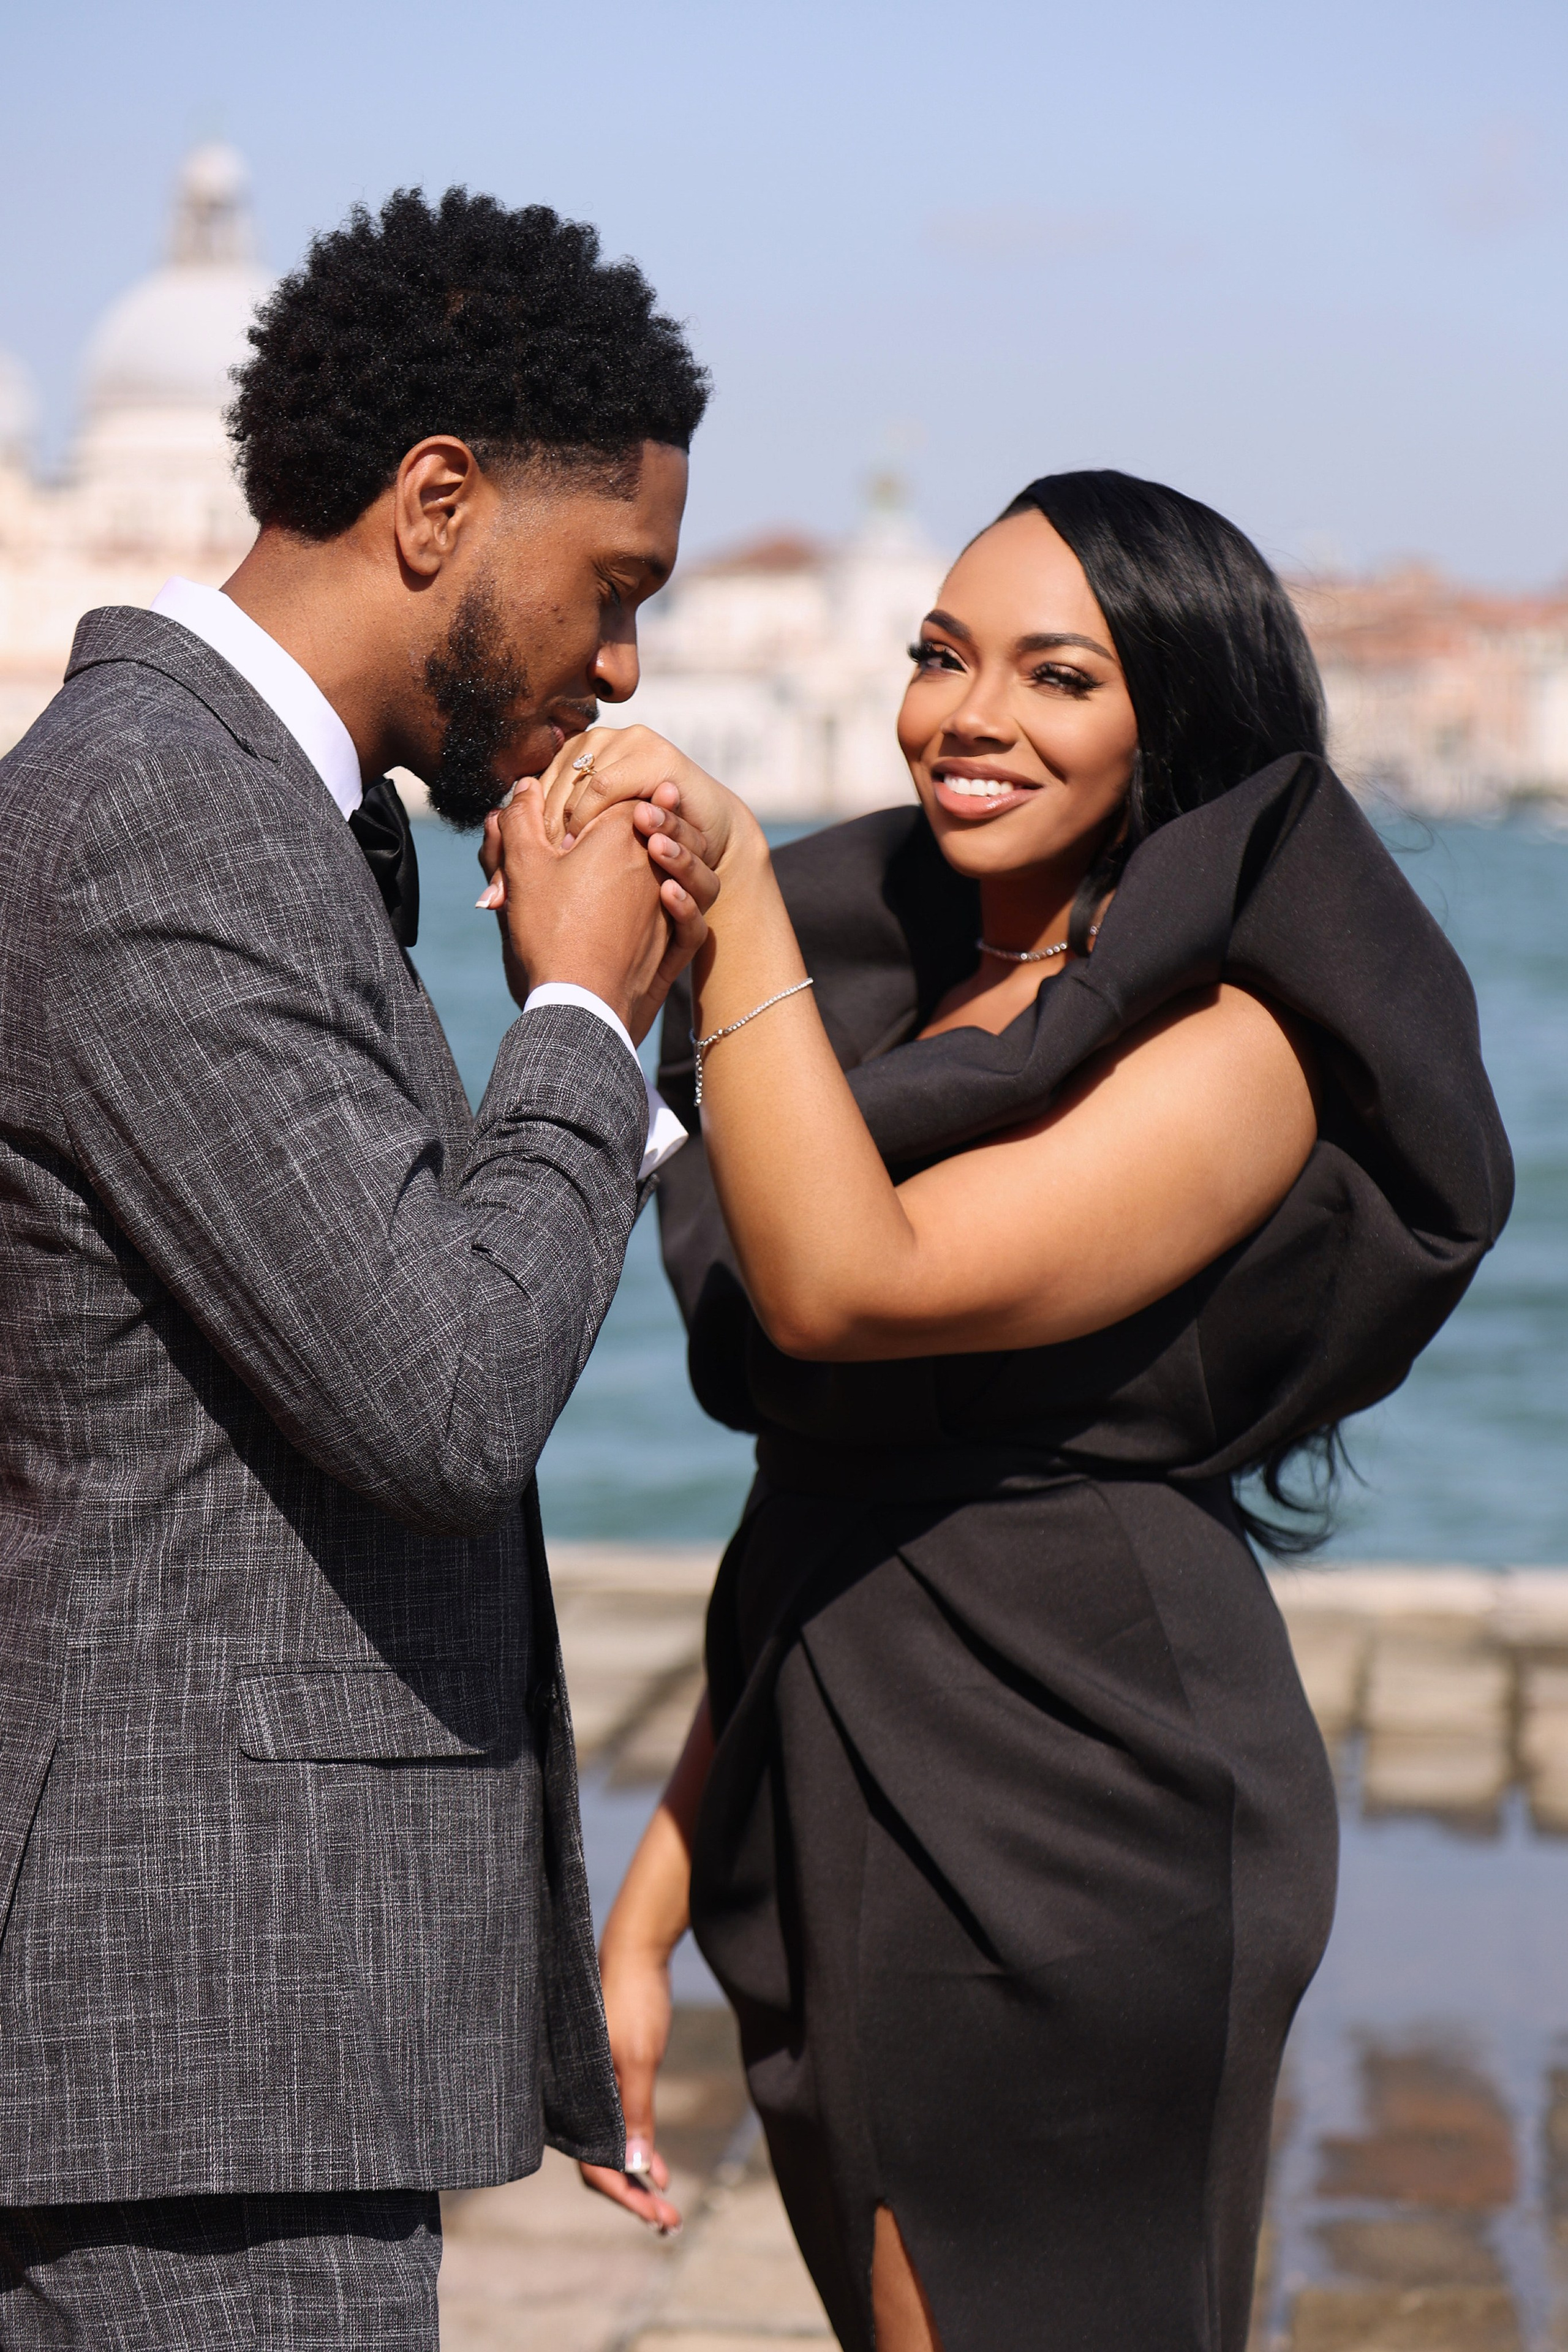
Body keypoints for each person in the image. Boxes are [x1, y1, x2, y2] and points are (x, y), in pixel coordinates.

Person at [507, 472, 1515, 2351]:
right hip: (830, 1762)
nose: (970, 717)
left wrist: (733, 904)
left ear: (1173, 724)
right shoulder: (899, 999)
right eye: (941, 656)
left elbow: (847, 1284)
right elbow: (839, 1493)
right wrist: (645, 1914)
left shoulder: (1239, 1047)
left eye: (1060, 676)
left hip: (1077, 1794)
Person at [0, 188, 724, 2348]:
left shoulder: (242, 811)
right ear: (436, 505)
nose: (621, 668)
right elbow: (443, 1389)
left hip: (238, 2062)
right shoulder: (159, 814)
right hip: (191, 2067)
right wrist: (582, 1013)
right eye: (612, 588)